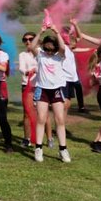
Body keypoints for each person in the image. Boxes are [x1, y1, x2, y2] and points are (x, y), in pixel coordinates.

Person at [31, 29, 72, 163]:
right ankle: (38, 148)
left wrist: (56, 32)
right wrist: (40, 32)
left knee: (60, 120)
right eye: (46, 49)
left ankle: (63, 149)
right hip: (42, 89)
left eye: (51, 49)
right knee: (41, 119)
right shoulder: (40, 55)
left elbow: (61, 47)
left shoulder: (59, 55)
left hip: (56, 90)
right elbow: (32, 46)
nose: (49, 52)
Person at [17, 32, 39, 150]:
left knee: (40, 113)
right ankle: (27, 139)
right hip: (27, 85)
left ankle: (42, 138)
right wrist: (28, 71)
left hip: (40, 86)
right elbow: (21, 68)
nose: (28, 42)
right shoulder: (22, 54)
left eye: (31, 39)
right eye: (25, 40)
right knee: (27, 113)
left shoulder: (41, 52)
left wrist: (36, 70)